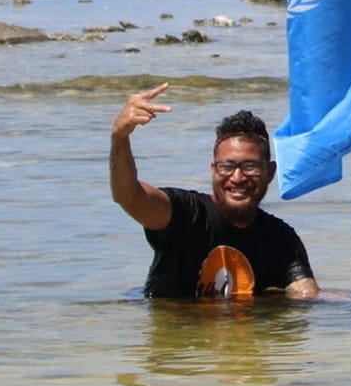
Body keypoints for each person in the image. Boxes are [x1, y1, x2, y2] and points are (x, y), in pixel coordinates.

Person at [109, 83, 318, 299]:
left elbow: (306, 295)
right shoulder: (186, 215)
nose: (237, 178)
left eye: (250, 167)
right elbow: (128, 196)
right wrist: (119, 137)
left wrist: (350, 307)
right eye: (227, 166)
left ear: (270, 172)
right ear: (214, 170)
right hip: (176, 328)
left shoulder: (280, 239)